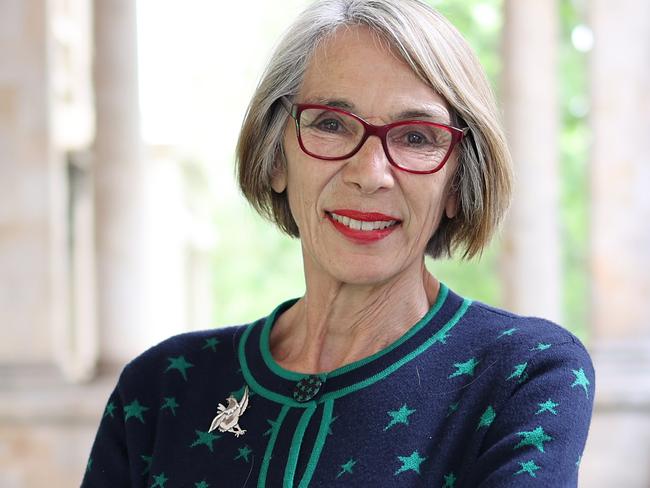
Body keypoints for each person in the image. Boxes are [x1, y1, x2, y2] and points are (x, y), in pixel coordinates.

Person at [81, 0, 594, 486]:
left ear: (459, 184)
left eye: (416, 136)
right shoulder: (160, 389)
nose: (370, 174)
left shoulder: (526, 374)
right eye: (331, 124)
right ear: (276, 157)